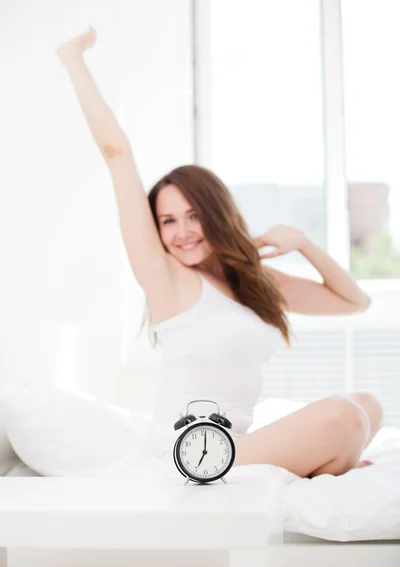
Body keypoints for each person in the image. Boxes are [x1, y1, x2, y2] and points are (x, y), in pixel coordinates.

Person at [56, 27, 383, 478]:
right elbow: (117, 154)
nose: (183, 232)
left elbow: (355, 302)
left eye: (194, 216)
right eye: (168, 221)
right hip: (187, 451)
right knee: (344, 417)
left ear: (217, 214)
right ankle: (333, 465)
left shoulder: (252, 281)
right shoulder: (165, 277)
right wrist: (74, 59)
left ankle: (331, 462)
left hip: (235, 445)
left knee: (367, 406)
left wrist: (305, 244)